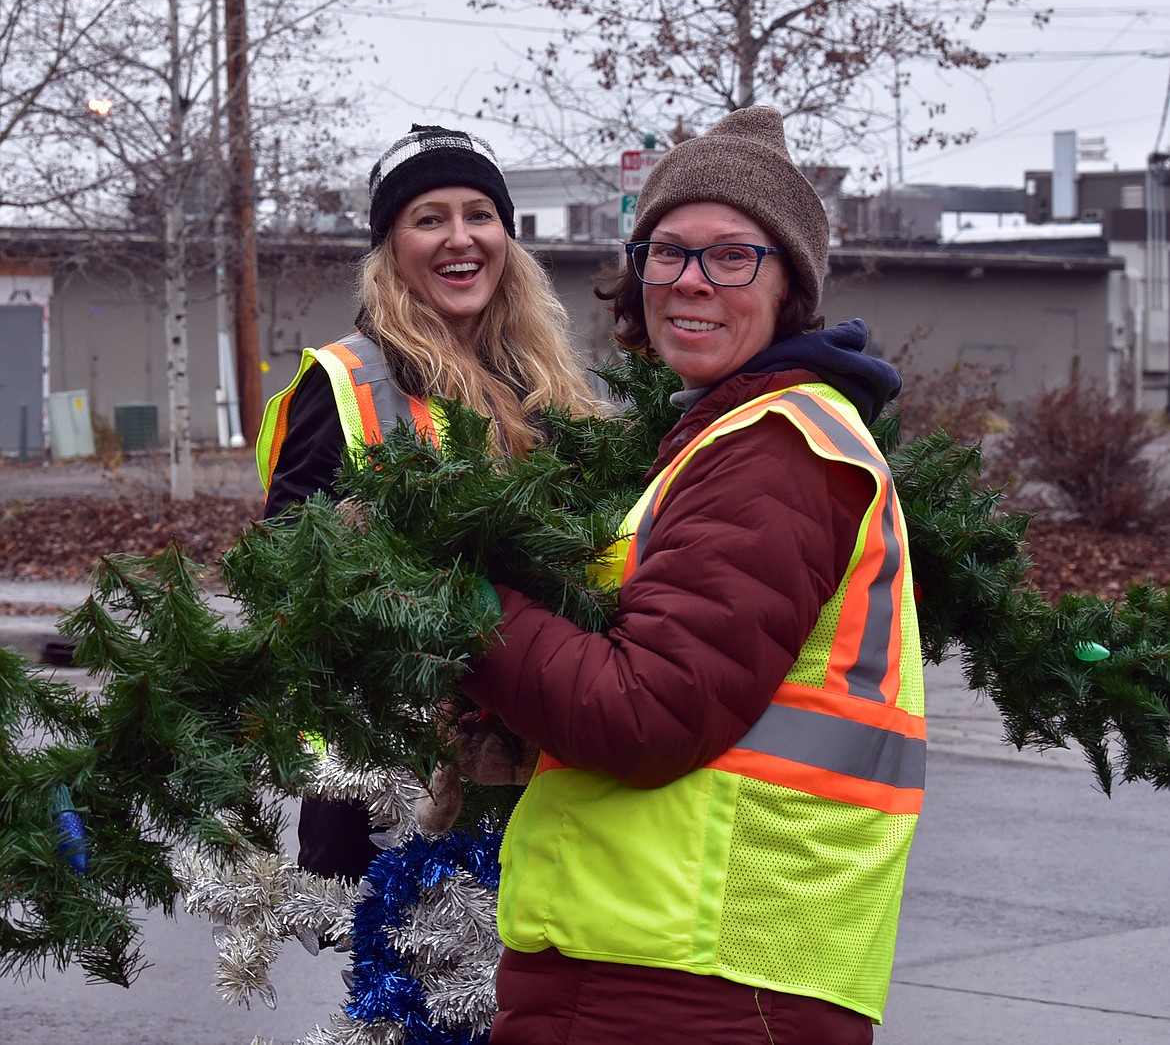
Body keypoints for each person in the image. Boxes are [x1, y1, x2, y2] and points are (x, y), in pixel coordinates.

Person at [459, 106, 925, 1044]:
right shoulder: (725, 438)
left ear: (791, 282)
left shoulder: (779, 451)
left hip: (691, 973)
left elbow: (647, 711)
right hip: (671, 955)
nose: (690, 282)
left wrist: (456, 602)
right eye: (666, 252)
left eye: (733, 256)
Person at [255, 123, 602, 881]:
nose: (461, 238)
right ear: (391, 247)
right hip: (400, 776)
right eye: (429, 218)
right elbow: (286, 571)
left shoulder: (552, 385)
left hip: (542, 759)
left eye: (480, 214)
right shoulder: (347, 380)